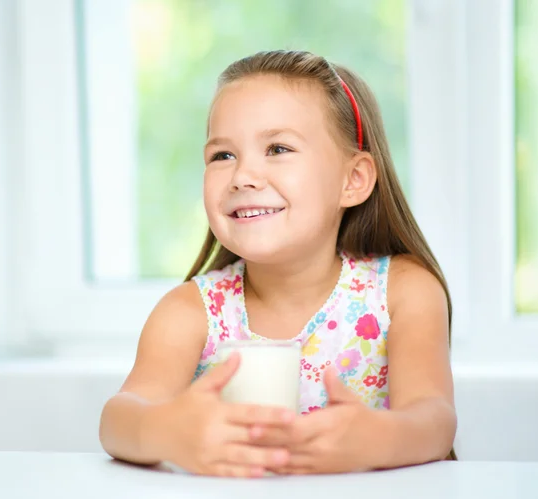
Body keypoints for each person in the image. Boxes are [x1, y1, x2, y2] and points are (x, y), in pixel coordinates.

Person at [99, 50, 457, 477]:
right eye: (222, 156)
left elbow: (435, 420)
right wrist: (167, 433)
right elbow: (118, 419)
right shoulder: (189, 312)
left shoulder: (403, 293)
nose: (243, 175)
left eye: (278, 148)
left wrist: (378, 439)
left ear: (353, 180)